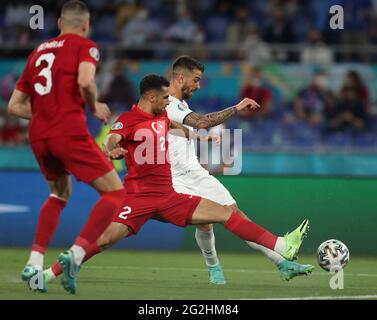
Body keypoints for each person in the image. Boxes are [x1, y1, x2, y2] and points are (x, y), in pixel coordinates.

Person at [40, 74, 310, 294]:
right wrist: (112, 150)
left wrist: (202, 140)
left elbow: (176, 128)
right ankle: (47, 275)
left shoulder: (160, 117)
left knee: (226, 213)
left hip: (169, 196)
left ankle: (280, 246)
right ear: (150, 97)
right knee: (104, 240)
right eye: (165, 96)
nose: (169, 99)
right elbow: (110, 139)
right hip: (138, 198)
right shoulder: (127, 120)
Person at [7, 0, 125, 292]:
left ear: (59, 24)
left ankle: (34, 263)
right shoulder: (86, 46)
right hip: (68, 131)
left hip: (38, 135)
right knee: (115, 194)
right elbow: (86, 81)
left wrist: (47, 115)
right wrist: (93, 105)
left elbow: (14, 106)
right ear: (85, 25)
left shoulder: (38, 51)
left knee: (59, 193)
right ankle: (77, 253)